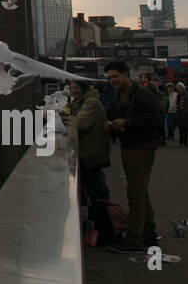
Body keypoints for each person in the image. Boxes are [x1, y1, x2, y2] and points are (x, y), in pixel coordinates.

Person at [103, 60, 162, 253]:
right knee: (141, 192)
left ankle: (134, 240)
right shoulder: (120, 94)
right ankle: (148, 233)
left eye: (115, 76)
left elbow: (153, 120)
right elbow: (110, 111)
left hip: (142, 148)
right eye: (109, 78)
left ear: (126, 74)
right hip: (129, 146)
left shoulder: (142, 94)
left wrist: (126, 123)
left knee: (135, 194)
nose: (112, 81)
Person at [67, 80, 111, 239]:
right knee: (95, 191)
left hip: (92, 155)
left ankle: (105, 231)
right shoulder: (81, 101)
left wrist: (59, 117)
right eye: (71, 88)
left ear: (84, 89)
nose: (73, 91)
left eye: (77, 88)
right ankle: (98, 226)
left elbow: (80, 123)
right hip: (88, 153)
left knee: (98, 192)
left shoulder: (91, 103)